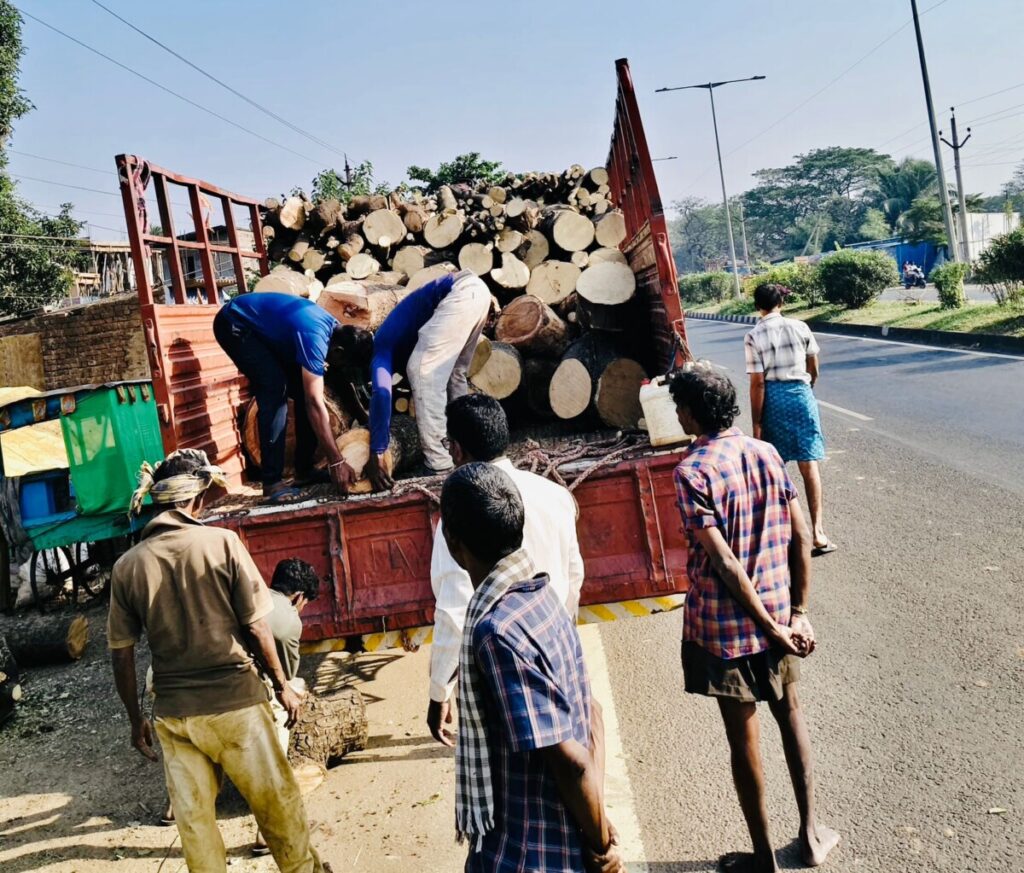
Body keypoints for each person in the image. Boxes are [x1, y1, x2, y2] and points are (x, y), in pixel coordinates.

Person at [108, 449, 328, 873]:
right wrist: (283, 685)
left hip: (174, 717)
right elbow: (259, 628)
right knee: (276, 803)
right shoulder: (222, 542)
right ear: (198, 496)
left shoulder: (127, 566)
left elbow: (121, 653)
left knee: (195, 825)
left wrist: (136, 719)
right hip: (235, 706)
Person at [669, 367, 839, 873]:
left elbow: (722, 563)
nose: (678, 414)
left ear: (693, 414)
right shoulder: (765, 454)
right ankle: (809, 839)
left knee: (743, 745)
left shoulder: (692, 470)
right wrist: (796, 616)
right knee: (791, 720)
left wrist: (769, 626)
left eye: (681, 407)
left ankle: (764, 860)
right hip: (780, 622)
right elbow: (801, 535)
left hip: (726, 633)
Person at [440, 463, 623, 873]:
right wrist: (598, 824)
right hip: (565, 837)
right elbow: (590, 714)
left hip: (526, 853)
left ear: (453, 541)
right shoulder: (544, 598)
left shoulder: (496, 631)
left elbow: (570, 760)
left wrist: (602, 845)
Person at [425, 394, 585, 746]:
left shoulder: (461, 513)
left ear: (456, 450)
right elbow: (574, 577)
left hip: (502, 670)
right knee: (572, 759)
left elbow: (455, 611)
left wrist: (439, 692)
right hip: (557, 650)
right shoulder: (556, 495)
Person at [335, 268, 491, 488]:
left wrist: (377, 450)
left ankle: (439, 465)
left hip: (459, 294)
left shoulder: (381, 347)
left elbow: (382, 392)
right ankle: (469, 448)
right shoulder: (392, 341)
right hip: (476, 291)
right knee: (453, 376)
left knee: (423, 372)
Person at [214, 291, 357, 503]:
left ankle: (304, 470)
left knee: (299, 388)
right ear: (338, 353)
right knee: (274, 389)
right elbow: (314, 402)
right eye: (344, 364)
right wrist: (336, 461)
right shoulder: (315, 337)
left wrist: (365, 419)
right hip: (234, 323)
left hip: (257, 326)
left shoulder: (337, 333)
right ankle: (272, 483)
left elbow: (340, 381)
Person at [745, 283, 835, 555]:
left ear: (757, 306)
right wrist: (807, 388)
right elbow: (814, 367)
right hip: (801, 395)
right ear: (780, 303)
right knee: (810, 465)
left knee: (776, 469)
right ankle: (818, 533)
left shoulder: (753, 335)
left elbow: (758, 384)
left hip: (773, 400)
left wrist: (757, 424)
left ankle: (787, 535)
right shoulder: (801, 327)